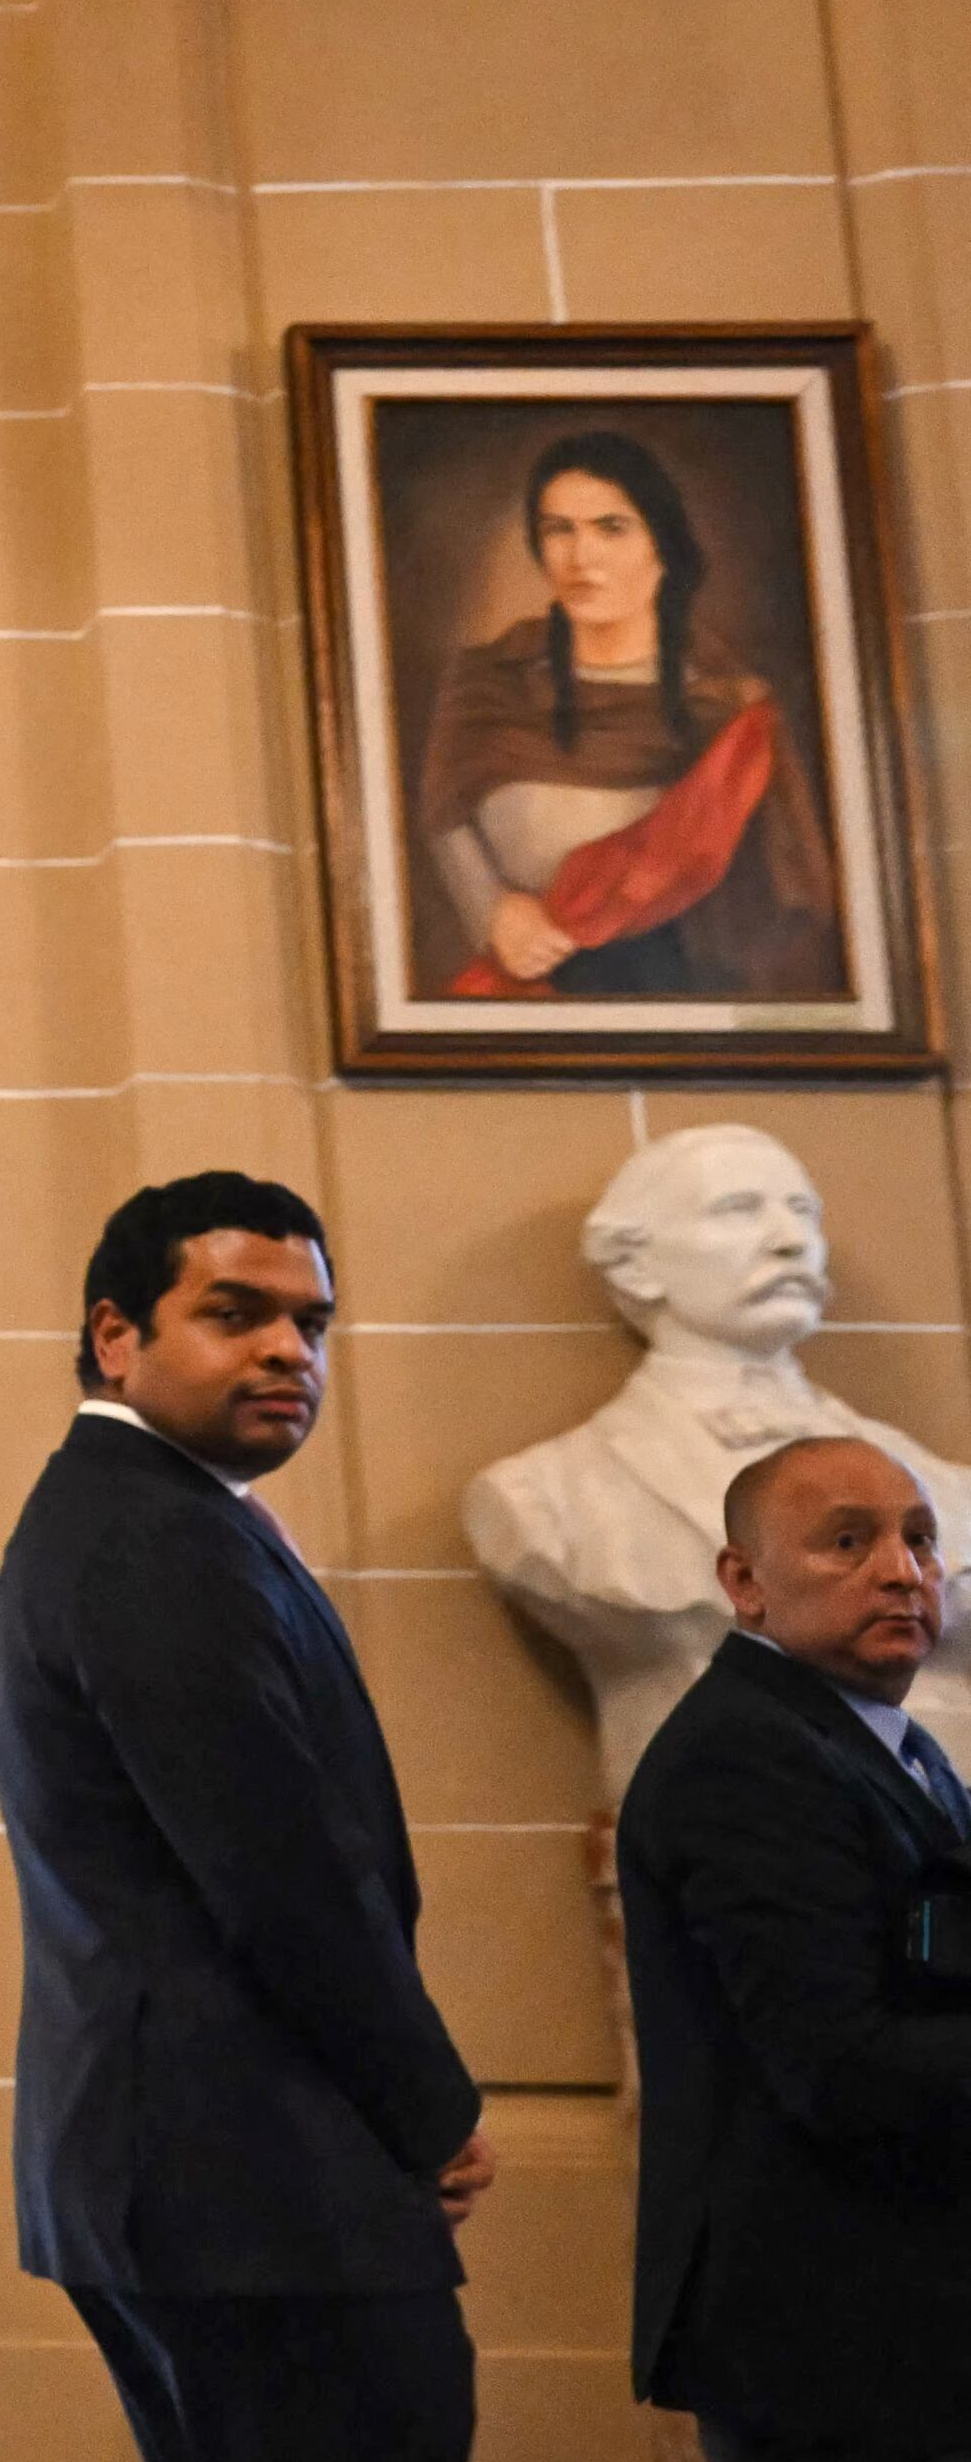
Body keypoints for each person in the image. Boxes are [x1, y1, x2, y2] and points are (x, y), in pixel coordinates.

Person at [0, 1172, 497, 2462]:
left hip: (208, 2177)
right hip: (258, 2185)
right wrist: (429, 2103)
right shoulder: (149, 1529)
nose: (289, 1352)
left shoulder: (155, 1517)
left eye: (311, 1320)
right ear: (116, 1330)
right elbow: (280, 1870)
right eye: (239, 1312)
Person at [510, 1434, 971, 2462]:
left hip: (923, 2329)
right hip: (848, 2350)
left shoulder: (873, 1746)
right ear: (744, 1584)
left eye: (916, 1538)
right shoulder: (746, 1763)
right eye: (845, 1541)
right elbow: (835, 2066)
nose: (900, 1568)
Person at [467, 1123, 971, 1795]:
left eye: (803, 1212)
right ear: (634, 1262)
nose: (791, 1239)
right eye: (738, 1210)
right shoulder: (546, 1497)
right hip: (739, 1850)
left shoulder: (946, 1485)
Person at [414, 429, 839, 1000]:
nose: (581, 556)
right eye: (558, 530)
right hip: (515, 991)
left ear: (662, 549)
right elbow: (445, 814)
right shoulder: (486, 684)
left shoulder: (726, 706)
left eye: (611, 528)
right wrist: (492, 910)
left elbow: (770, 902)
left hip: (677, 993)